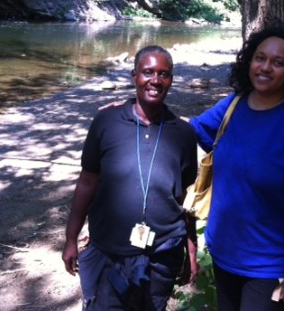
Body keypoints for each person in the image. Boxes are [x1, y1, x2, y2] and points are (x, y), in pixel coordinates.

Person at [190, 25, 284, 311]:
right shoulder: (233, 106)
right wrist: (135, 113)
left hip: (270, 262)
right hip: (224, 251)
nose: (266, 67)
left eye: (278, 62)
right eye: (260, 58)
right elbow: (187, 132)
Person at [62, 45, 199, 311]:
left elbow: (185, 197)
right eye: (148, 72)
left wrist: (190, 249)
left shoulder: (183, 133)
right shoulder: (106, 122)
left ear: (171, 79)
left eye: (164, 74)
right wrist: (71, 238)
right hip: (109, 250)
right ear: (134, 76)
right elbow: (87, 181)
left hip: (162, 253)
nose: (155, 81)